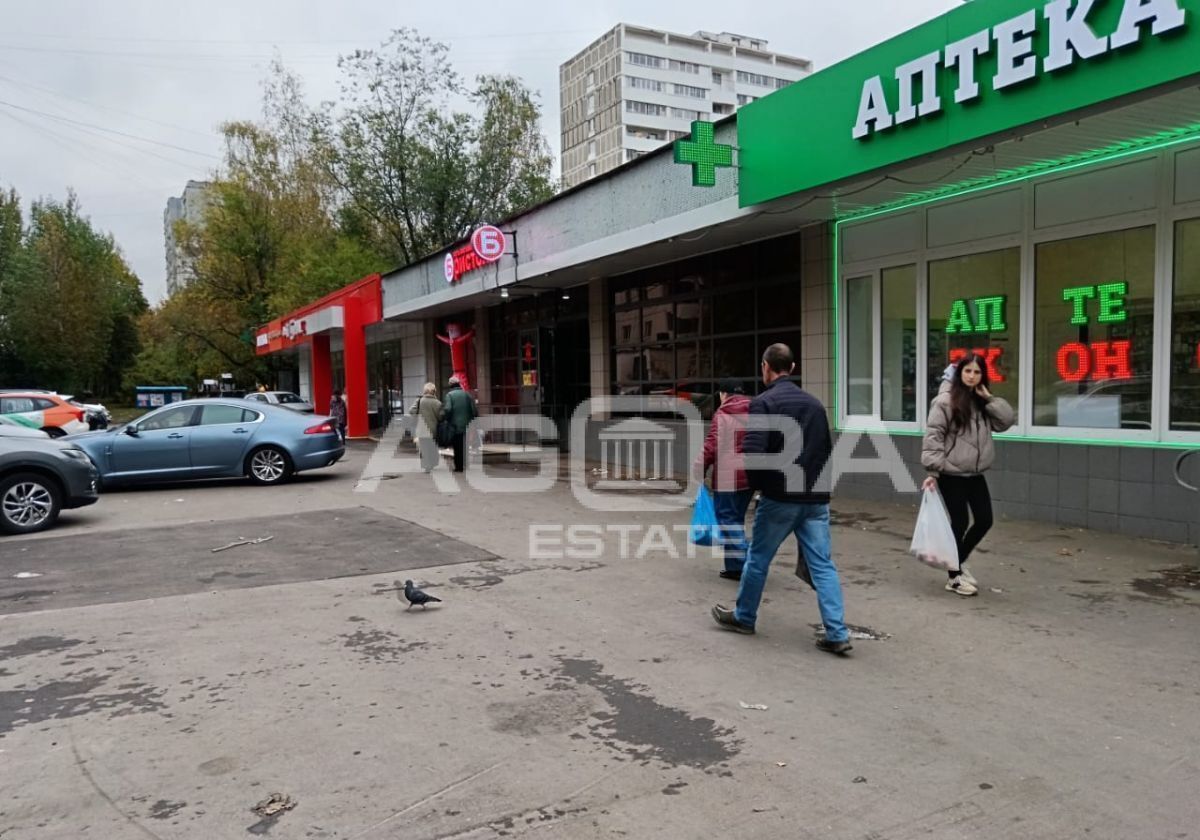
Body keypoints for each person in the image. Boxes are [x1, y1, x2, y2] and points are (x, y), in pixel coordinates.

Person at [710, 343, 853, 656]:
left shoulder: (764, 403)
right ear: (793, 366)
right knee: (823, 565)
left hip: (780, 498)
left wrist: (764, 489)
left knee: (759, 559)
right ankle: (837, 632)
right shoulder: (815, 405)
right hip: (815, 499)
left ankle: (744, 617)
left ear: (765, 367)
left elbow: (754, 454)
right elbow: (826, 452)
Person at [921, 353, 1015, 596]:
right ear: (959, 374)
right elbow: (934, 436)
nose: (972, 376)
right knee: (960, 522)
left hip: (975, 473)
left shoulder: (982, 403)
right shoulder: (945, 401)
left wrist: (989, 397)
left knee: (985, 520)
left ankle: (958, 563)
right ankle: (954, 577)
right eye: (967, 371)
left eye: (977, 372)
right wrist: (933, 471)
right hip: (951, 473)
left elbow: (1006, 421)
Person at [694, 378, 753, 581]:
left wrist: (698, 468)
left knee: (728, 521)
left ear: (723, 394)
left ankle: (747, 565)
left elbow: (712, 445)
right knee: (735, 520)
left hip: (728, 478)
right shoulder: (755, 411)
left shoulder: (723, 413)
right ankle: (735, 567)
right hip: (750, 477)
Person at [440, 375, 477, 472]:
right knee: (465, 445)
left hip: (455, 426)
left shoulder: (450, 395)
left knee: (457, 446)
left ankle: (459, 467)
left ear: (450, 385)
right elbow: (474, 411)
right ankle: (466, 464)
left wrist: (445, 419)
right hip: (467, 425)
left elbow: (448, 409)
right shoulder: (467, 394)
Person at [410, 382, 443, 472]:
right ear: (434, 391)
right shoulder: (438, 403)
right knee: (431, 447)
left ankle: (426, 466)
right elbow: (441, 417)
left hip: (421, 429)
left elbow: (412, 411)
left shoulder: (420, 401)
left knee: (424, 447)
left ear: (424, 391)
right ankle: (432, 463)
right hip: (433, 429)